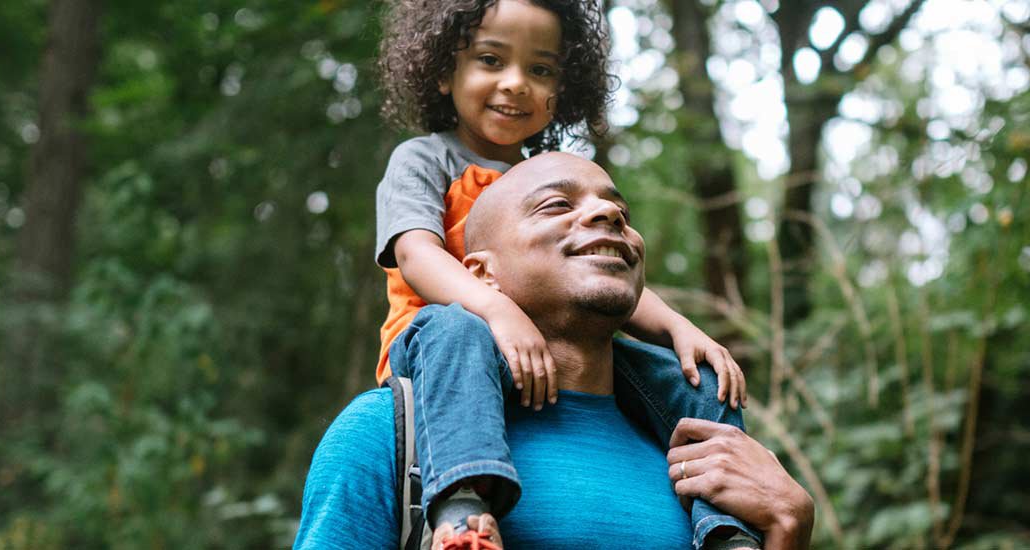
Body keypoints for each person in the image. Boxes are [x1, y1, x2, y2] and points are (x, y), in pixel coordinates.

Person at [369, 0, 749, 547]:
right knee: (460, 328)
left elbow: (596, 270)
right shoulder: (424, 160)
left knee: (699, 378)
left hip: (553, 355)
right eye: (491, 60)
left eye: (541, 69)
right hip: (443, 350)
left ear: (563, 91)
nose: (517, 84)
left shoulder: (550, 178)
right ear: (442, 73)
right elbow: (415, 255)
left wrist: (678, 330)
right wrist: (495, 309)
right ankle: (462, 508)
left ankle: (728, 533)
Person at [299, 153, 814, 549]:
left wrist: (788, 526)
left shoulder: (702, 449)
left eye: (619, 210)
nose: (609, 213)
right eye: (557, 205)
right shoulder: (385, 436)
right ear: (481, 275)